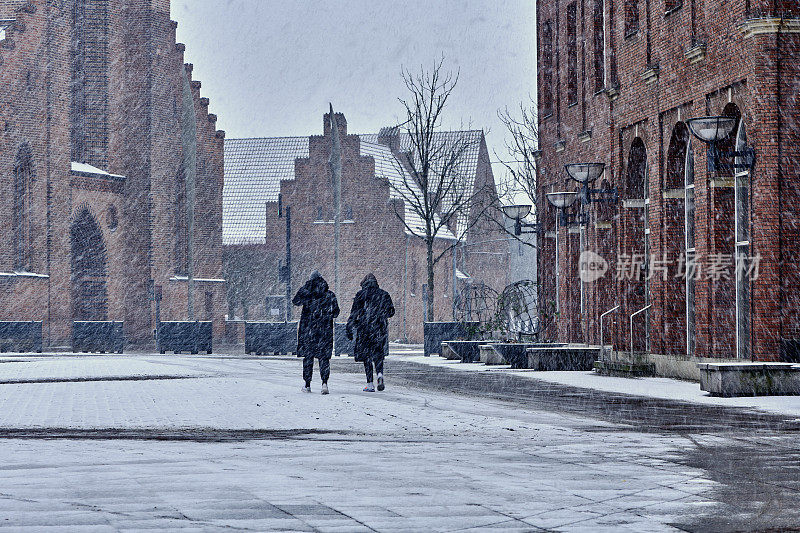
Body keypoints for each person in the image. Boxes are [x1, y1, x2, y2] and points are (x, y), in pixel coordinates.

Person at [346, 273, 395, 392]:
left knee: (366, 356)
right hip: (379, 329)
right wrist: (381, 315)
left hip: (364, 329)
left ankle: (370, 384)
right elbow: (391, 312)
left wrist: (350, 327)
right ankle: (379, 374)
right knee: (378, 354)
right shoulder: (384, 294)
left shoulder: (360, 295)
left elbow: (354, 313)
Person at [293, 271, 339, 394]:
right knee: (324, 358)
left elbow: (295, 301)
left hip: (308, 330)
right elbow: (336, 312)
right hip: (324, 331)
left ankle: (307, 384)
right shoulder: (329, 294)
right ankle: (324, 383)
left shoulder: (307, 293)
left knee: (308, 357)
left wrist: (306, 288)